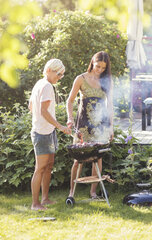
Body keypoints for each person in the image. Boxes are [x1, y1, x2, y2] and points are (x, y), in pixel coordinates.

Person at [66, 51, 114, 199]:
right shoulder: (80, 79)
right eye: (98, 66)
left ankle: (93, 192)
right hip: (83, 124)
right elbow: (70, 101)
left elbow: (110, 104)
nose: (99, 70)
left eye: (103, 68)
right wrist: (69, 118)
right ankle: (71, 192)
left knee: (97, 158)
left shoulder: (107, 81)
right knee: (78, 159)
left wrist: (111, 126)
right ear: (92, 62)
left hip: (101, 124)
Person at [29, 59, 71, 211]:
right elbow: (43, 111)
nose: (60, 77)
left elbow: (31, 107)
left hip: (47, 131)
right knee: (40, 168)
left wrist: (46, 123)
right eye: (59, 74)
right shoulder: (46, 86)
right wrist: (60, 126)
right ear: (50, 70)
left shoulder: (40, 83)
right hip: (42, 133)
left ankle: (45, 198)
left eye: (62, 75)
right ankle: (35, 204)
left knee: (49, 166)